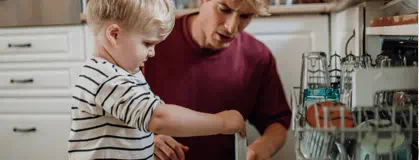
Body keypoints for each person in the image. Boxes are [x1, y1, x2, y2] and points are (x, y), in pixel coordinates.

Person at [68, 0, 246, 159]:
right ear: (114, 34)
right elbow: (158, 117)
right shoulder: (102, 78)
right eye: (147, 44)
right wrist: (222, 122)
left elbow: (147, 116)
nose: (152, 52)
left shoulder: (126, 72)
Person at [144, 0, 292, 160]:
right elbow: (115, 113)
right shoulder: (151, 43)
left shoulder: (257, 56)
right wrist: (145, 141)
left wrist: (260, 149)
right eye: (224, 10)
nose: (231, 27)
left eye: (245, 16)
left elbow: (277, 123)